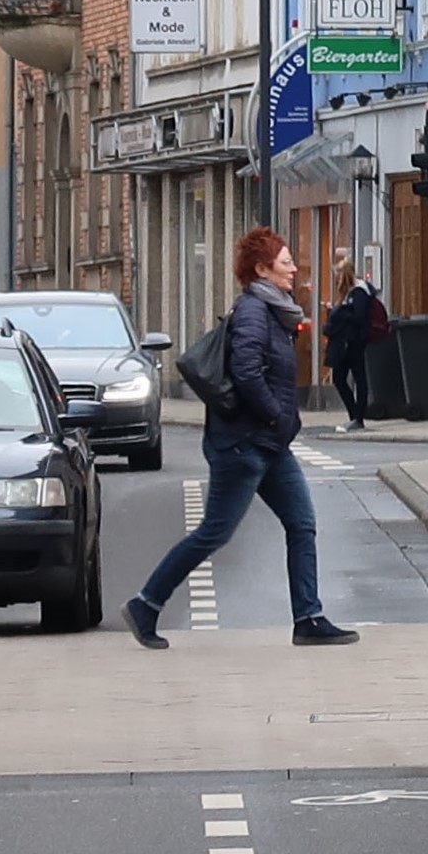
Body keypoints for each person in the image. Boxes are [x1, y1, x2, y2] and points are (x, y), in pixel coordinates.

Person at [124, 228, 360, 651]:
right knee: (214, 532)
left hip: (269, 445)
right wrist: (275, 416)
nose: (293, 269)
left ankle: (308, 617)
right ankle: (146, 604)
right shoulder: (253, 311)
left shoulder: (274, 311)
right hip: (244, 445)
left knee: (302, 523)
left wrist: (280, 426)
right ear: (262, 269)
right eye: (285, 262)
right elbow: (247, 372)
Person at [320, 256, 383, 432]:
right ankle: (354, 415)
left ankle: (358, 417)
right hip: (348, 341)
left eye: (338, 275)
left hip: (354, 341)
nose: (337, 279)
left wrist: (340, 313)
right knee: (341, 378)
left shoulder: (359, 291)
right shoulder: (350, 292)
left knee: (357, 377)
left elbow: (359, 316)